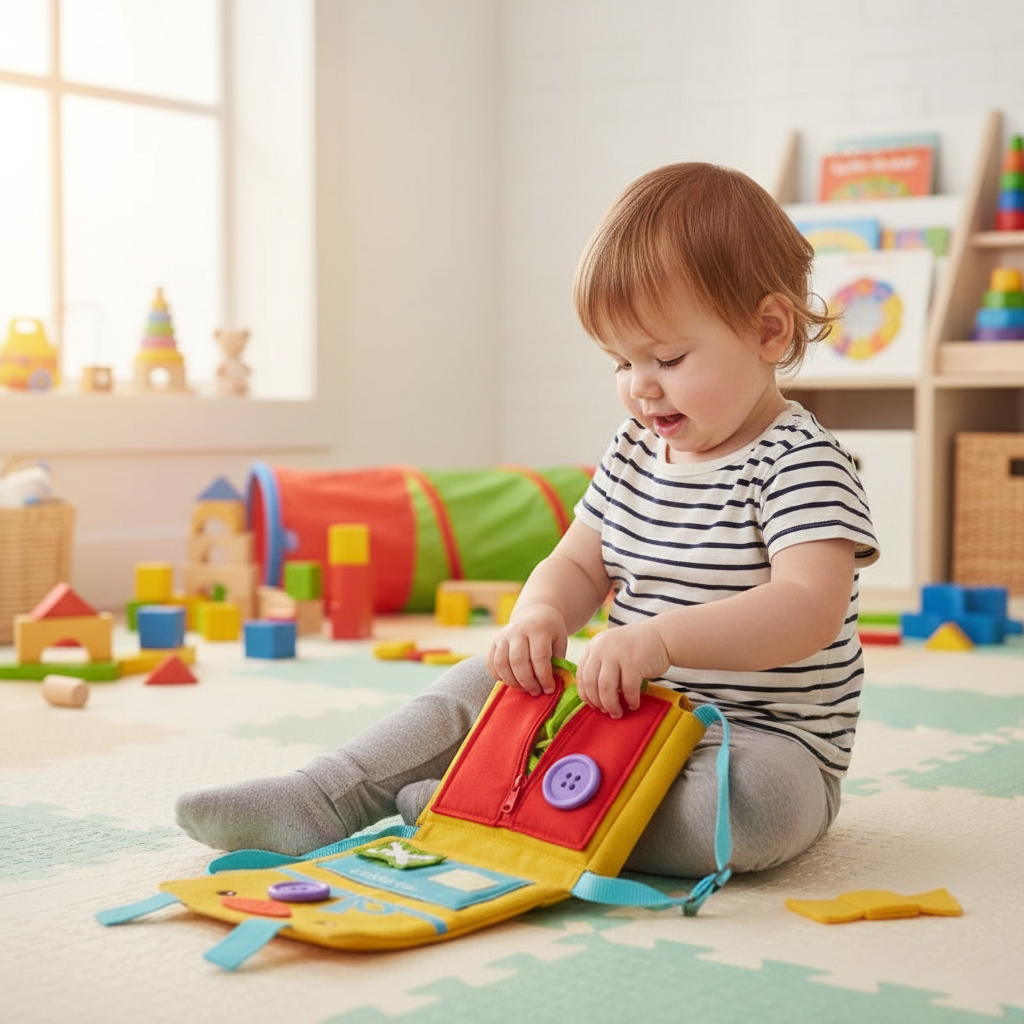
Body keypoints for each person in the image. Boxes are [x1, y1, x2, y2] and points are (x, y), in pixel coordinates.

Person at [176, 162, 878, 877]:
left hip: (760, 743)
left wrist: (660, 641)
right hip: (619, 713)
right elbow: (577, 562)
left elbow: (807, 608)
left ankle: (488, 806)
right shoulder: (635, 450)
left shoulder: (801, 462)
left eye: (667, 357)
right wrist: (540, 615)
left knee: (746, 813)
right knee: (482, 682)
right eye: (620, 362)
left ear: (767, 331)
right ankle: (322, 797)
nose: (640, 386)